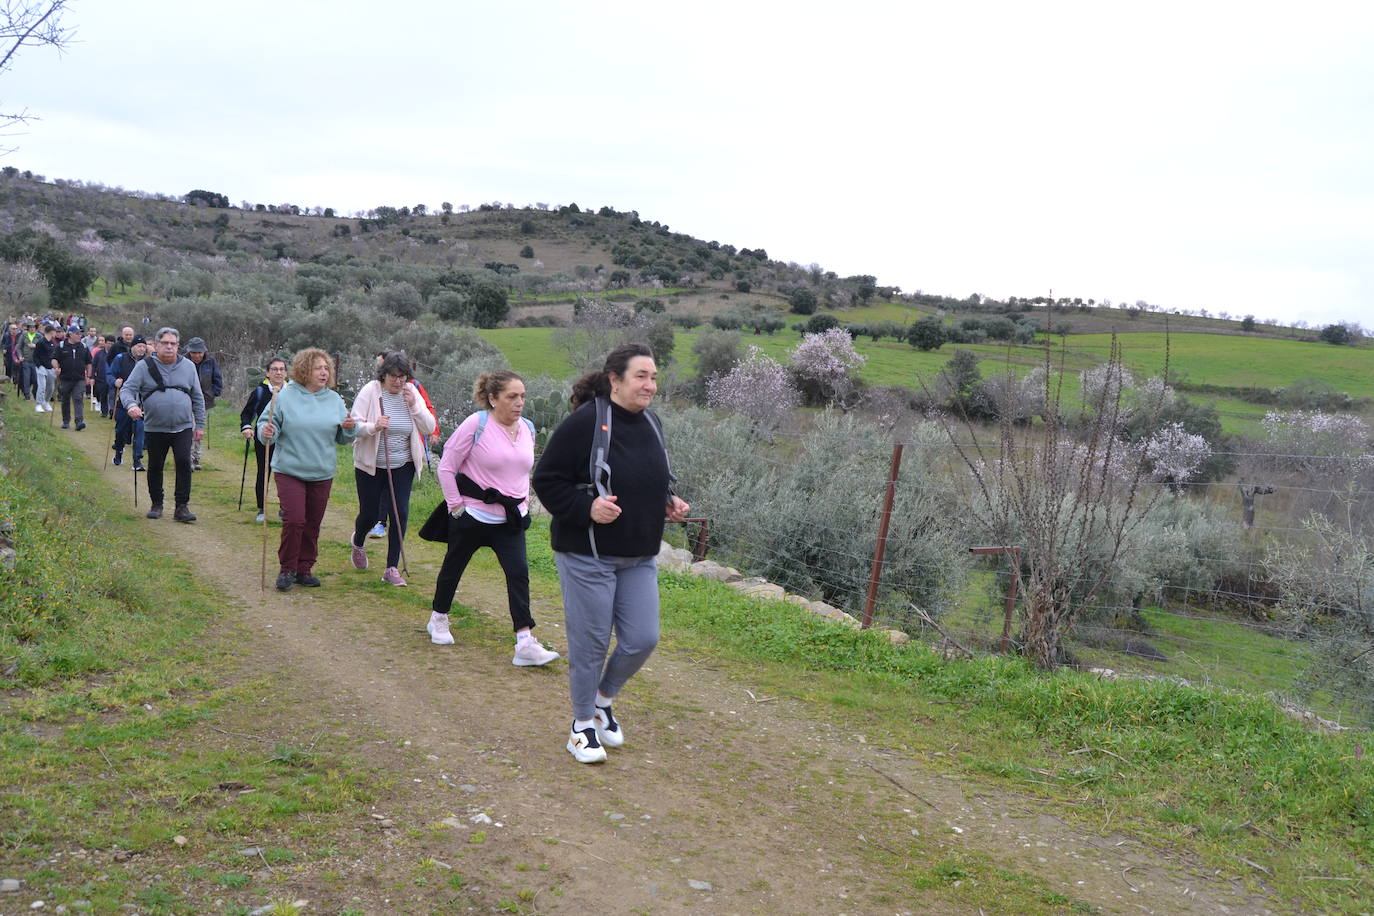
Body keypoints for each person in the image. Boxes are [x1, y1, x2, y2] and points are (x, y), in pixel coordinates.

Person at [532, 344, 690, 764]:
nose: (650, 385)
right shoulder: (585, 423)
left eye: (654, 377)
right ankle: (581, 726)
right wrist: (587, 508)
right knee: (591, 643)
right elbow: (546, 480)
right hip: (588, 555)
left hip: (639, 555)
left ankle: (603, 700)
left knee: (643, 639)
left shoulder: (652, 423)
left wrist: (667, 501)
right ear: (615, 380)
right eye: (641, 376)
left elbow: (646, 477)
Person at [426, 370, 560, 666]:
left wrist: (522, 504)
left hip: (509, 521)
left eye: (523, 396)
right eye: (512, 396)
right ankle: (438, 618)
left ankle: (525, 642)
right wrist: (455, 506)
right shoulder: (477, 424)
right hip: (472, 516)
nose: (519, 402)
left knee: (518, 574)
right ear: (492, 398)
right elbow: (447, 466)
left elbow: (522, 469)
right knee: (453, 568)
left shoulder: (527, 427)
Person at [257, 347, 358, 592]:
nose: (324, 372)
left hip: (322, 471)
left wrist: (349, 427)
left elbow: (343, 438)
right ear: (304, 370)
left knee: (313, 523)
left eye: (326, 368)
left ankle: (304, 568)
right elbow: (266, 424)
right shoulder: (285, 395)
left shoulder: (334, 399)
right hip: (289, 468)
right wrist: (266, 432)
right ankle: (287, 569)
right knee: (294, 520)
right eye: (318, 368)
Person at [348, 351, 436, 587]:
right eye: (393, 376)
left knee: (400, 514)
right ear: (383, 375)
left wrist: (414, 406)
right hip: (371, 465)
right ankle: (358, 541)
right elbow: (354, 425)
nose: (398, 381)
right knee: (370, 513)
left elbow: (429, 427)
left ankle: (391, 568)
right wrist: (373, 426)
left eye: (403, 377)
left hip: (403, 464)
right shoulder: (370, 391)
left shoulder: (412, 393)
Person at [121, 327, 206, 522]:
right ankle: (156, 504)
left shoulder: (188, 367)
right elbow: (127, 390)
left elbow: (198, 397)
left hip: (183, 426)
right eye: (165, 343)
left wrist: (199, 425)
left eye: (173, 344)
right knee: (156, 465)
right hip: (155, 426)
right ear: (157, 345)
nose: (169, 347)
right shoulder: (144, 366)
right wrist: (131, 405)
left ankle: (182, 507)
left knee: (184, 463)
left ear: (178, 346)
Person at [240, 357, 288, 523]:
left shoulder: (293, 392)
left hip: (288, 441)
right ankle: (262, 508)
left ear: (286, 373)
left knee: (287, 474)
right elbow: (247, 413)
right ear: (268, 373)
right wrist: (246, 427)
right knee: (264, 471)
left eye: (282, 369)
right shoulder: (260, 391)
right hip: (264, 438)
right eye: (274, 369)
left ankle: (286, 508)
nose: (278, 372)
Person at [109, 335, 148, 469]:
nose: (141, 349)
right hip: (123, 403)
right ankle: (119, 451)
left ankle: (137, 460)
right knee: (120, 431)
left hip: (141, 403)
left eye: (144, 346)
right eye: (139, 346)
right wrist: (115, 381)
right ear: (132, 347)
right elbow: (110, 374)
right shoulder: (121, 359)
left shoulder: (148, 362)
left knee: (139, 430)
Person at [184, 337, 222, 471]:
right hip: (186, 401)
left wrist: (213, 393)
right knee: (189, 428)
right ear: (189, 352)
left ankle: (196, 458)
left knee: (198, 430)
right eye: (194, 352)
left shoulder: (211, 362)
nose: (197, 355)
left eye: (200, 352)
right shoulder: (182, 361)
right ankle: (187, 460)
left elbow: (217, 380)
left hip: (205, 401)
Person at [53, 325, 92, 430]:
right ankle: (66, 421)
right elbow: (54, 359)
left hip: (79, 378)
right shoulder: (61, 346)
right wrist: (56, 368)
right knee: (65, 400)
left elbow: (89, 362)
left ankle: (79, 422)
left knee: (78, 398)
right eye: (77, 333)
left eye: (80, 334)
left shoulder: (84, 347)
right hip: (65, 378)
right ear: (70, 334)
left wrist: (88, 376)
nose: (79, 336)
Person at [30, 324, 57, 411]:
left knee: (51, 387)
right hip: (41, 367)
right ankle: (38, 404)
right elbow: (35, 356)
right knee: (42, 386)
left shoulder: (53, 343)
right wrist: (39, 366)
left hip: (51, 368)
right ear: (51, 332)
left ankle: (46, 402)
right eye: (54, 332)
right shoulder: (41, 342)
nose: (55, 333)